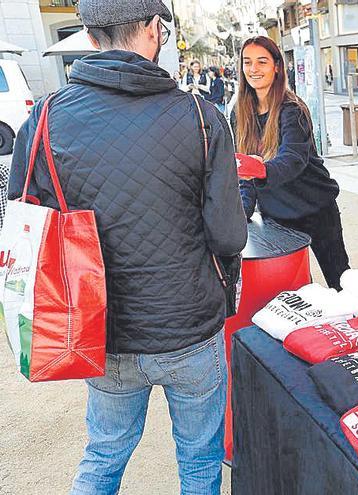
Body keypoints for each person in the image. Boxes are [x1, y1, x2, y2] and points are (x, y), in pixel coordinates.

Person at [8, 0, 248, 492]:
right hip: (191, 327)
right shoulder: (200, 117)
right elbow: (229, 235)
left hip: (103, 331)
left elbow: (27, 223)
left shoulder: (45, 119)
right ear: (154, 30)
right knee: (200, 461)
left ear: (91, 38)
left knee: (103, 457)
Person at [233, 36, 350, 290]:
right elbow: (245, 176)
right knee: (297, 289)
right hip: (278, 214)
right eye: (248, 62)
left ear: (277, 66)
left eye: (262, 61)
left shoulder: (292, 109)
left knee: (340, 280)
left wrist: (259, 169)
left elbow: (292, 160)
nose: (254, 69)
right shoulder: (240, 113)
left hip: (316, 207)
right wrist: (242, 213)